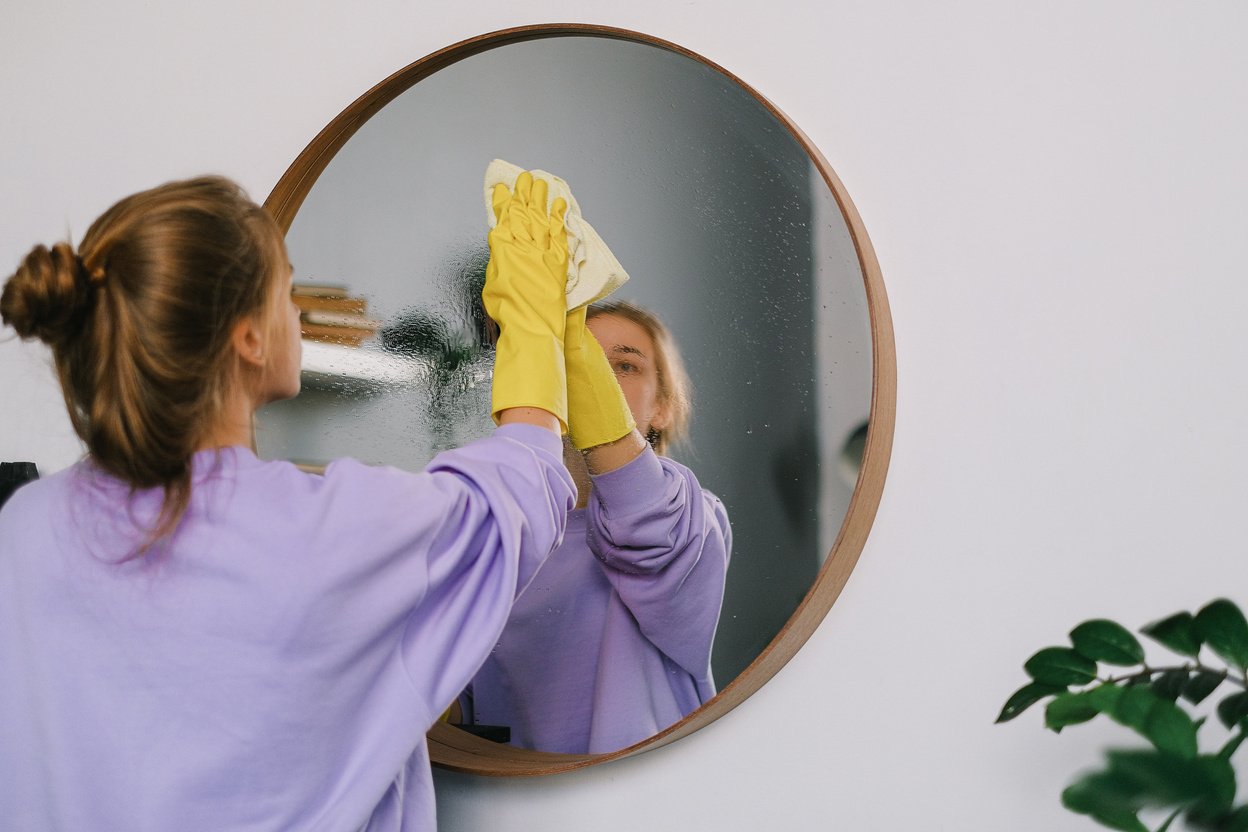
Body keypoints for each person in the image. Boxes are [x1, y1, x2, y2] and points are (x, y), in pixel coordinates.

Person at [0, 173, 579, 830]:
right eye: (286, 291)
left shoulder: (24, 529)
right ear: (248, 337)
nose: (296, 314)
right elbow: (517, 499)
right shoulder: (335, 531)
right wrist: (535, 326)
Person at [459, 299, 732, 755]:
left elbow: (644, 526)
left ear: (662, 407)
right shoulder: (497, 529)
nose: (598, 380)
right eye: (575, 361)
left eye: (624, 366)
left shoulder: (692, 517)